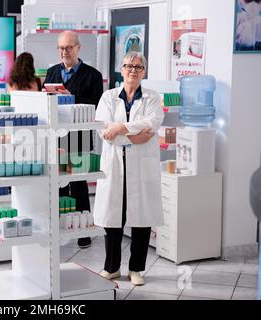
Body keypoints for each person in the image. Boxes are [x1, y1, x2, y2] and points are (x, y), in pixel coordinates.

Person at [93, 52, 164, 286]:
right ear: (121, 70)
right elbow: (104, 130)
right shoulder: (108, 97)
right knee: (113, 217)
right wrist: (135, 135)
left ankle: (136, 269)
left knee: (141, 219)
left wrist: (121, 127)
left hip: (141, 167)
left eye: (138, 67)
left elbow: (152, 124)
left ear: (144, 71)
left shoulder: (152, 98)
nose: (133, 70)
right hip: (114, 164)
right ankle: (111, 268)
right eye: (128, 66)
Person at [43, 31, 103, 249]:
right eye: (60, 48)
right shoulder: (51, 73)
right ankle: (60, 227)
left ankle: (83, 231)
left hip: (79, 138)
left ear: (78, 48)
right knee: (57, 184)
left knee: (78, 184)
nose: (64, 52)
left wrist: (71, 97)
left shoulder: (93, 76)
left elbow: (97, 106)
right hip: (56, 138)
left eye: (68, 47)